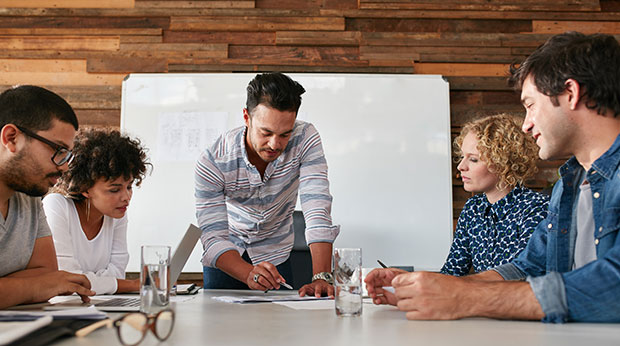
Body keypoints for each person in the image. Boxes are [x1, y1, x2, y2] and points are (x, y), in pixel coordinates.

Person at [365, 32, 620, 323]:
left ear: (571, 93)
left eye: (530, 104)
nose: (526, 125)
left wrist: (466, 298)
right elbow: (527, 267)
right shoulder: (567, 187)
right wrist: (427, 285)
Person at [195, 72, 339, 296]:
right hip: (227, 258)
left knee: (278, 329)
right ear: (246, 117)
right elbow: (214, 236)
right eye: (266, 132)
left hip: (276, 258)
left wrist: (321, 276)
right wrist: (247, 273)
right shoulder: (213, 160)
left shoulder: (306, 139)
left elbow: (317, 207)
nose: (275, 144)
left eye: (285, 134)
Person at [0, 85, 94, 309]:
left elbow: (47, 273)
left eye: (67, 155)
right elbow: (49, 282)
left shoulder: (30, 196)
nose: (63, 168)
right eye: (58, 150)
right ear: (11, 138)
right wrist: (37, 285)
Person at [42, 128, 150, 295]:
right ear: (85, 188)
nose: (126, 197)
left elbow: (117, 273)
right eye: (114, 190)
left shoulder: (117, 213)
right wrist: (133, 285)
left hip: (101, 304)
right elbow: (68, 281)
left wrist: (97, 281)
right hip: (64, 308)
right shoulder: (56, 206)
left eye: (129, 186)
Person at [441, 114, 548, 276]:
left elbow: (518, 276)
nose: (461, 166)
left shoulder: (535, 208)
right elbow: (451, 273)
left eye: (473, 159)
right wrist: (404, 279)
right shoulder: (473, 209)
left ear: (502, 162)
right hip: (480, 298)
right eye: (463, 157)